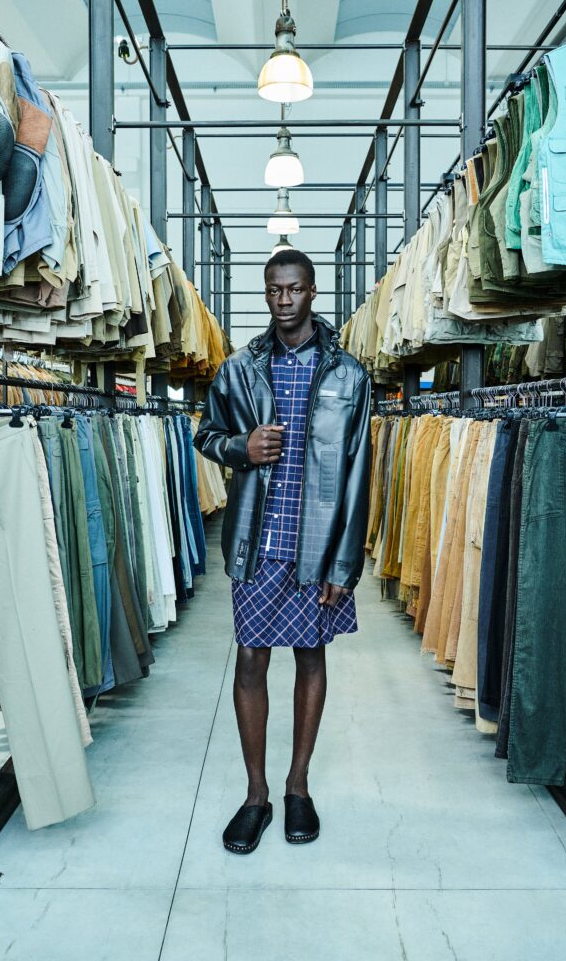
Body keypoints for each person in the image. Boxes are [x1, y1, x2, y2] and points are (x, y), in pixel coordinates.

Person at [194, 249, 371, 854]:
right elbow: (206, 435)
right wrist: (242, 445)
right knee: (250, 660)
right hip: (258, 542)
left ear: (313, 291)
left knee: (312, 659)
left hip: (318, 547)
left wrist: (344, 564)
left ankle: (298, 786)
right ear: (264, 294)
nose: (285, 300)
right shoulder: (239, 370)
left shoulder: (349, 374)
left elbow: (357, 473)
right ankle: (256, 795)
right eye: (274, 290)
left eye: (295, 289)